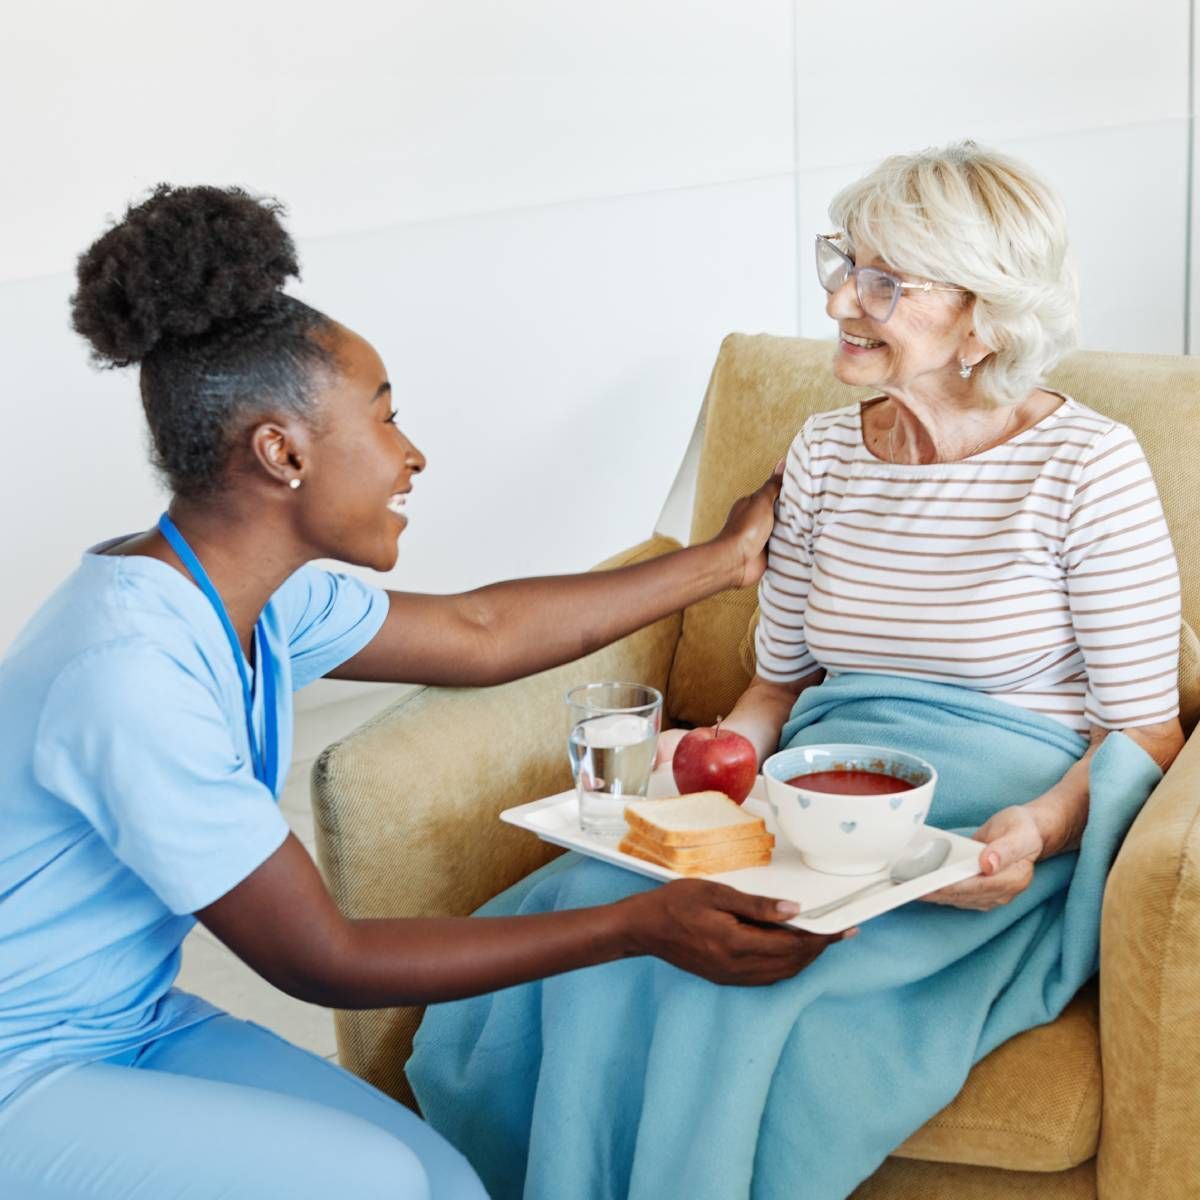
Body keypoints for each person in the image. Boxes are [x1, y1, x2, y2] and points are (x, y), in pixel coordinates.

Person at [0, 185, 853, 1200]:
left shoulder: (249, 593)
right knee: (374, 1186)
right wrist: (642, 924)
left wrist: (722, 561)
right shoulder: (128, 673)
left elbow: (480, 631)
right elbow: (325, 956)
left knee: (441, 1180)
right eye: (387, 417)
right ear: (282, 452)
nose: (413, 454)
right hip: (26, 1066)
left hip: (129, 1023)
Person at [408, 143, 1185, 1200]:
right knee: (584, 930)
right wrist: (716, 762)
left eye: (882, 281)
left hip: (979, 827)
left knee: (730, 979)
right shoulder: (822, 452)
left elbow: (1143, 732)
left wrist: (1034, 833)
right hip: (811, 797)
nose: (838, 299)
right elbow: (774, 691)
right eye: (842, 262)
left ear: (986, 317)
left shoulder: (1088, 465)